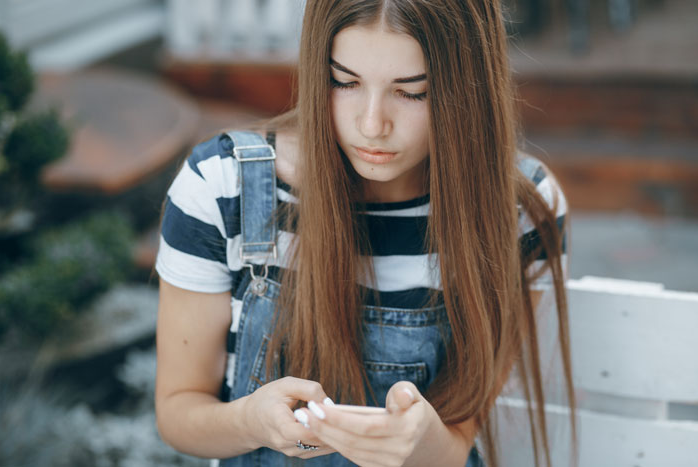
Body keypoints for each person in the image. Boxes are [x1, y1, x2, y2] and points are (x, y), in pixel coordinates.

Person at [154, 1, 576, 466]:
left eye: (413, 91)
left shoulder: (517, 211)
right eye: (345, 82)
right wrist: (251, 423)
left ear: (469, 86)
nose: (372, 124)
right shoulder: (223, 187)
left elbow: (456, 445)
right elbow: (178, 411)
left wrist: (422, 440)